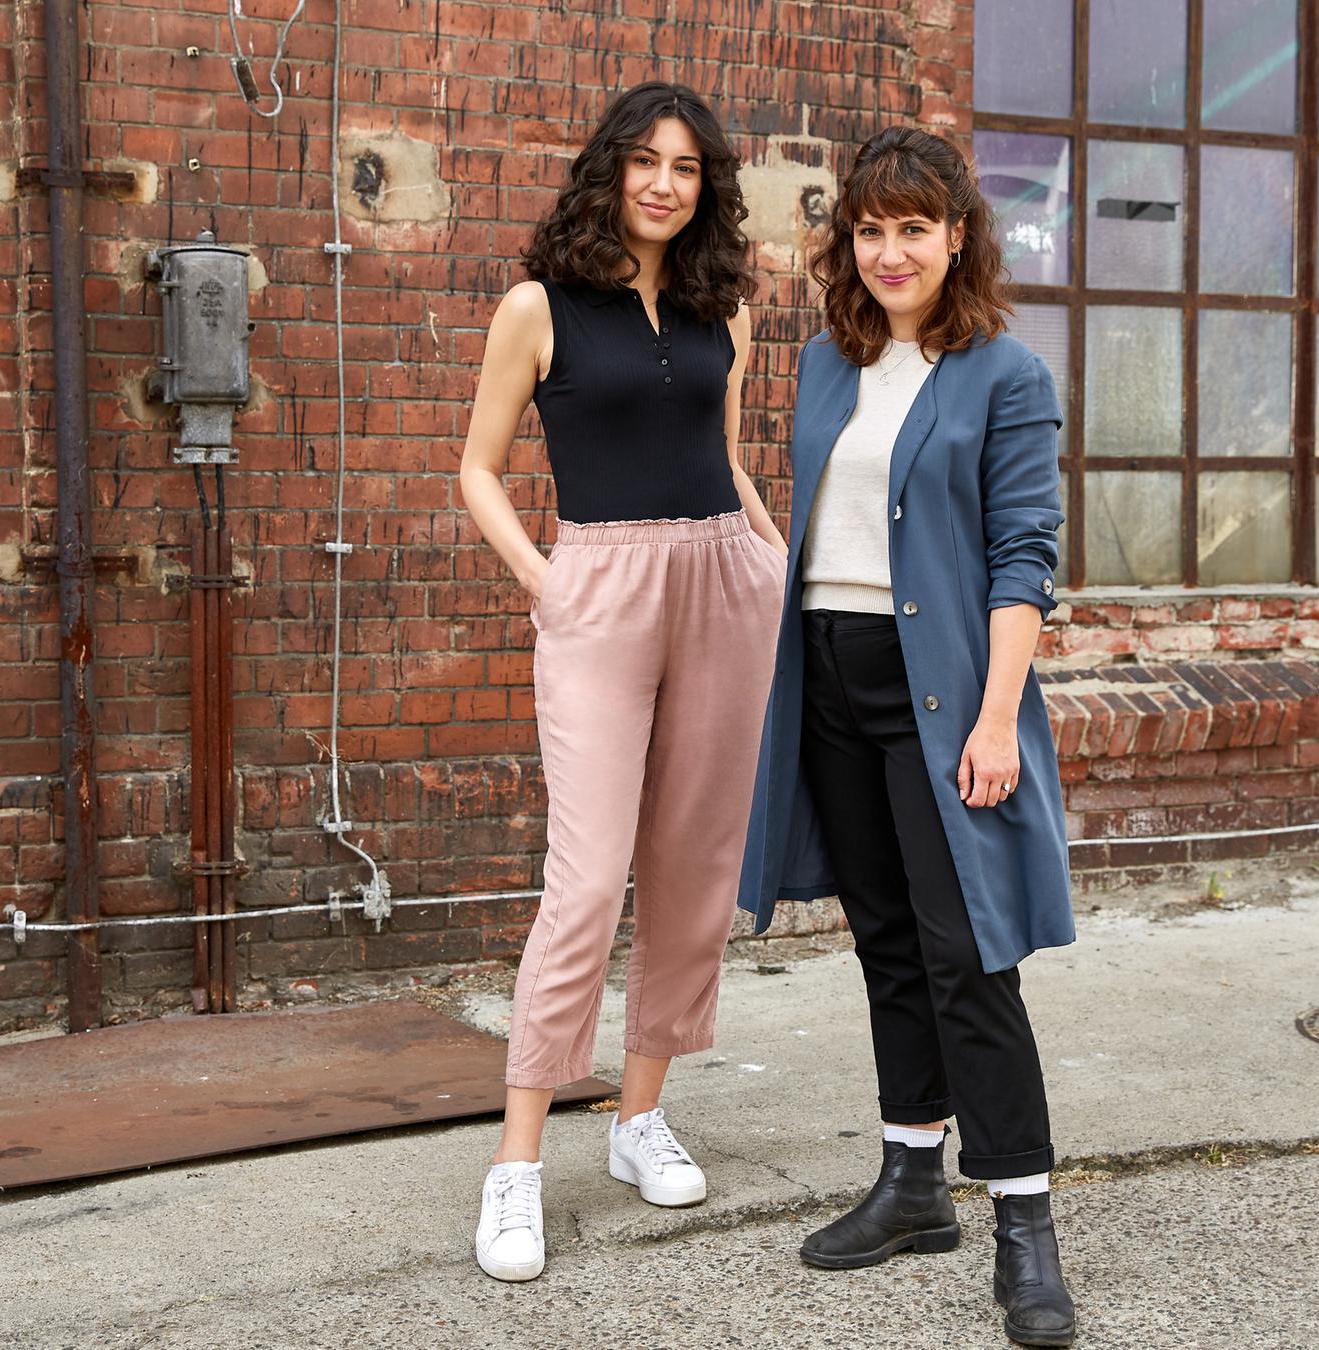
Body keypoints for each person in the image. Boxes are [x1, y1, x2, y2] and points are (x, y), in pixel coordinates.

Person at [736, 127, 1078, 1346]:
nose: (890, 252)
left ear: (957, 237)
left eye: (913, 229)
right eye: (870, 230)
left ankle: (1025, 1226)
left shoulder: (1005, 375)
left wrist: (994, 720)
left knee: (967, 956)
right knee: (885, 939)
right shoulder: (828, 364)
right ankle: (912, 1182)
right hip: (829, 675)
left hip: (940, 697)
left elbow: (1025, 559)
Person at [455, 81, 786, 1284]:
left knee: (695, 867)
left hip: (723, 584)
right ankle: (518, 1164)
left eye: (687, 167)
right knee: (587, 880)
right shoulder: (538, 308)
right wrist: (549, 583)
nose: (664, 182)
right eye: (645, 161)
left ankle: (639, 1117)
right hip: (599, 585)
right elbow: (478, 469)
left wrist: (768, 557)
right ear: (610, 171)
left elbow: (729, 458)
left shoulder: (722, 311)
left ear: (707, 187)